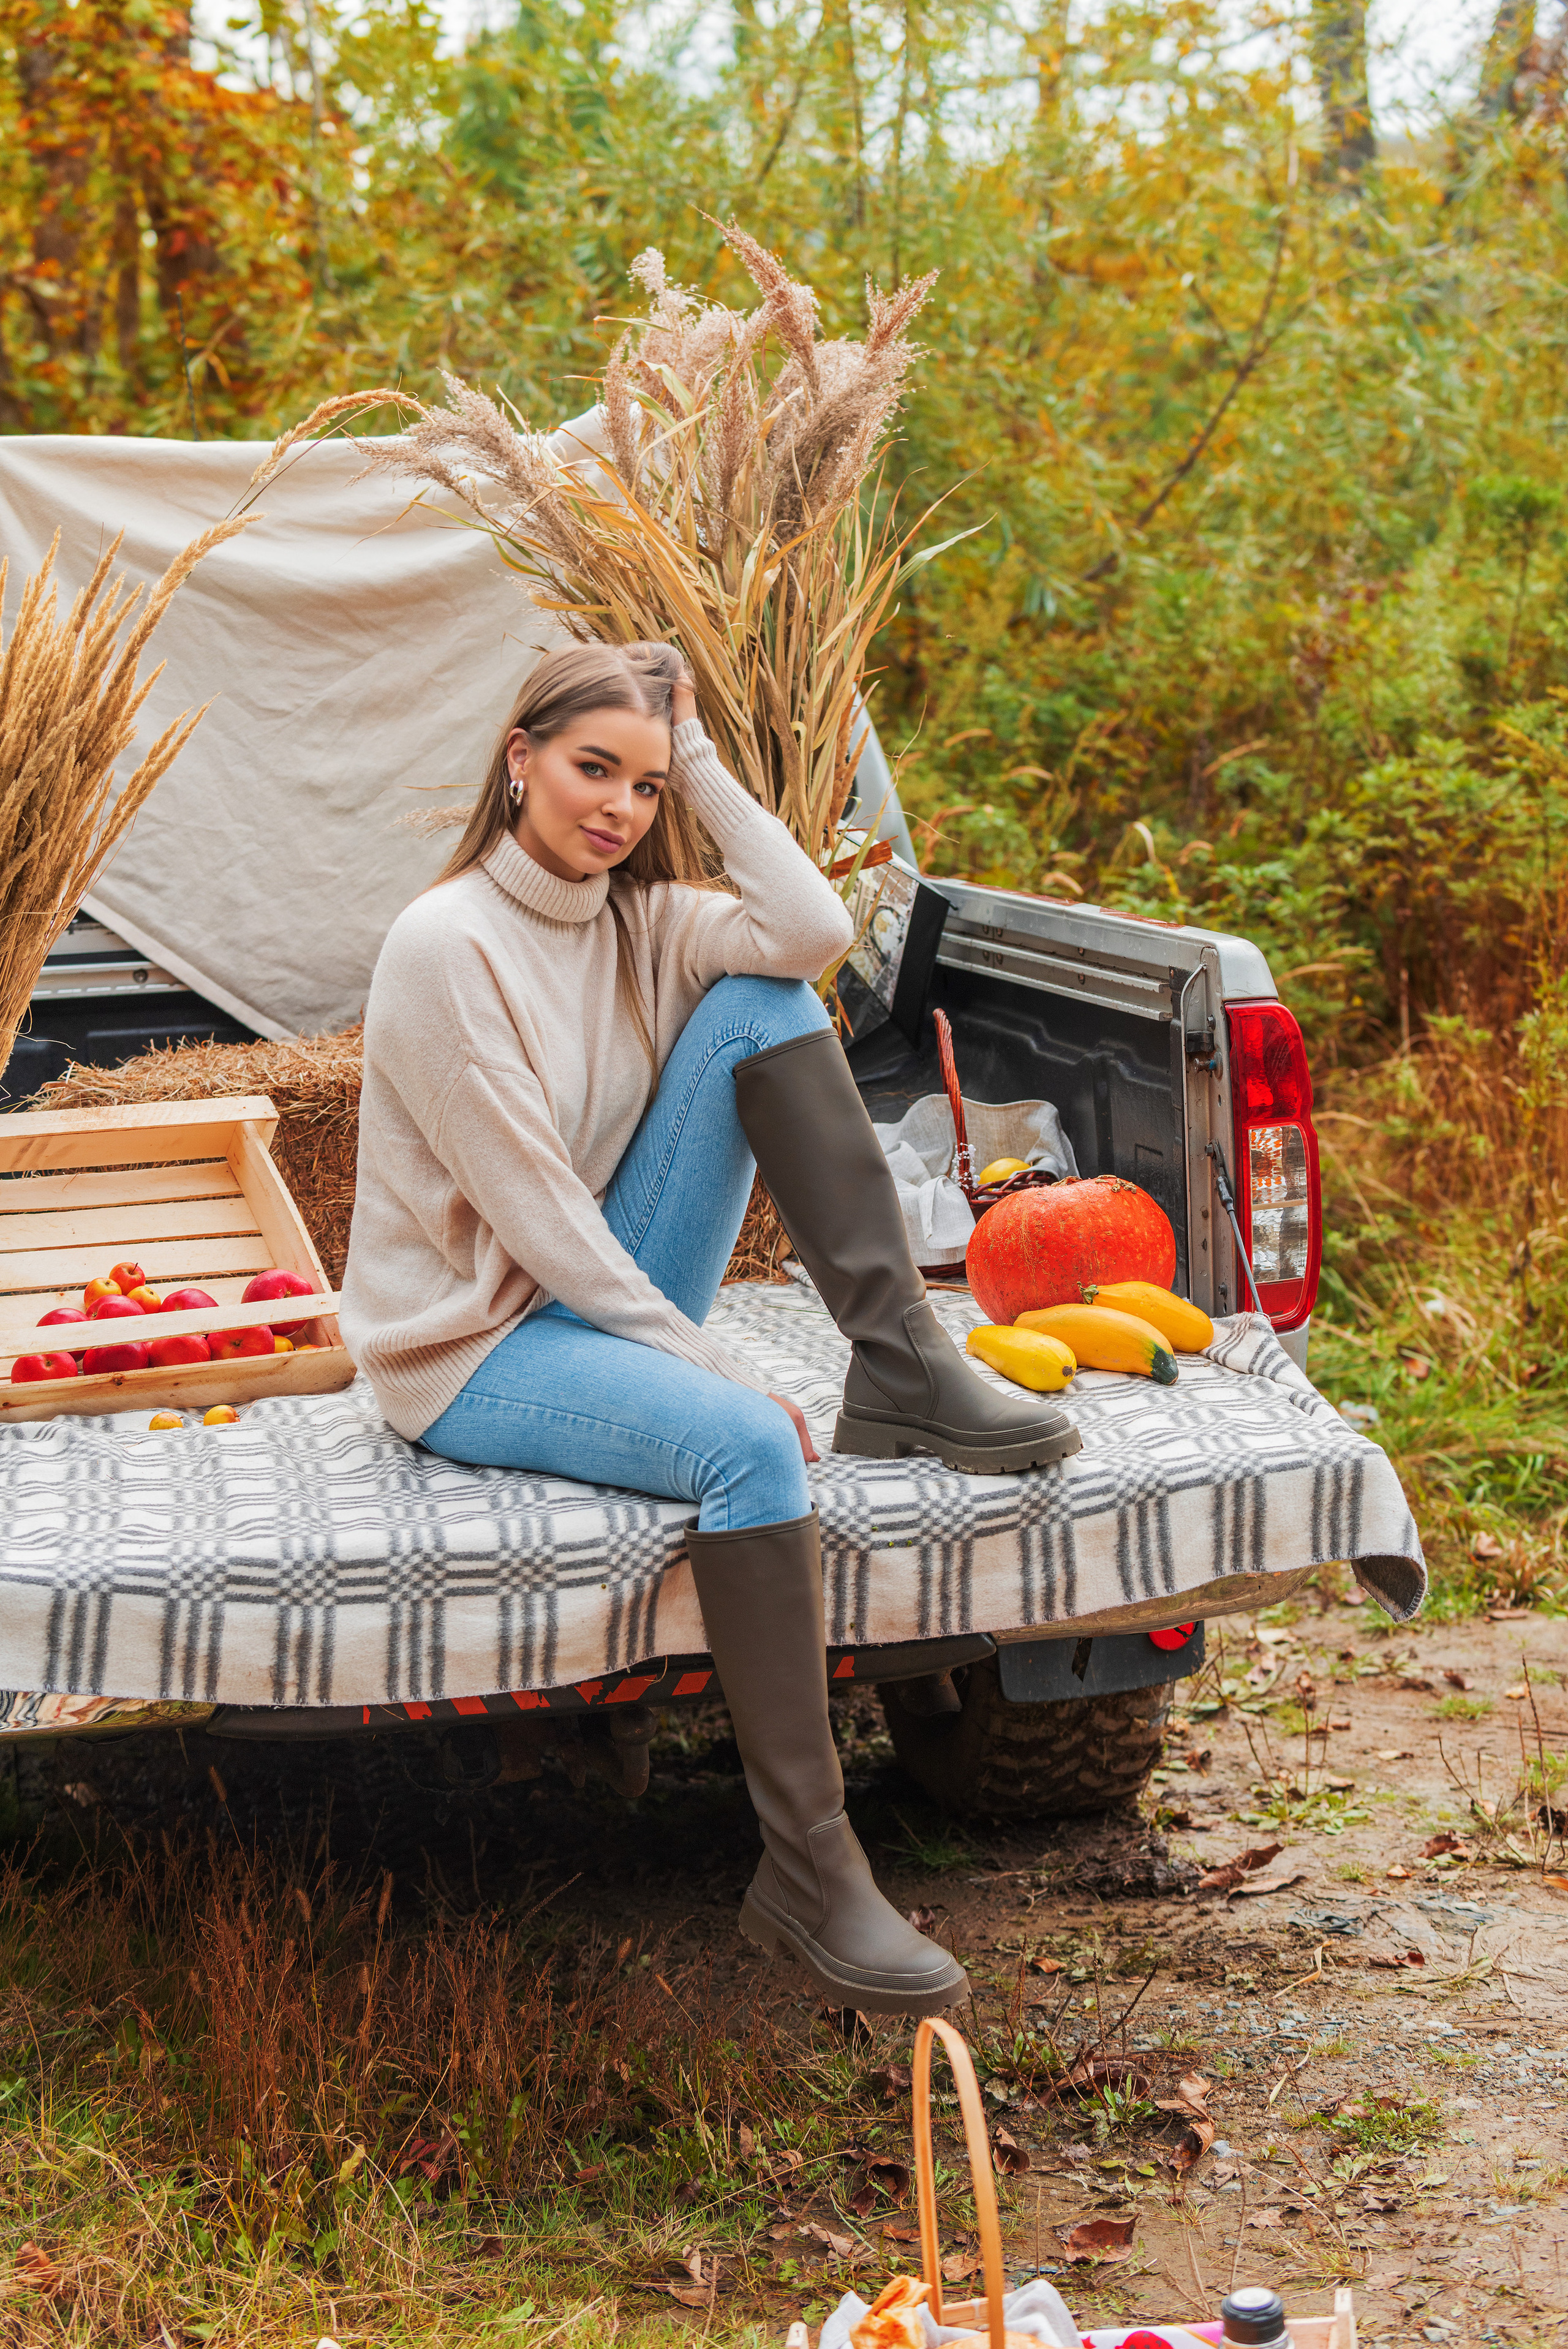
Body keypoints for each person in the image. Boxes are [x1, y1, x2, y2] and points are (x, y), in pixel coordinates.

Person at [341, 639, 1080, 2015]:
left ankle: (901, 1361)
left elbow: (808, 934)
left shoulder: (638, 915)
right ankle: (808, 1865)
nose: (615, 807)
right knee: (748, 1447)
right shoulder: (444, 945)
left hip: (591, 1288)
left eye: (638, 782)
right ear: (518, 761)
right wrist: (707, 1358)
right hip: (471, 1343)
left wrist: (701, 764)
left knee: (764, 1001)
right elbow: (540, 1216)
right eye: (587, 769)